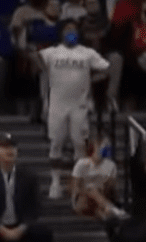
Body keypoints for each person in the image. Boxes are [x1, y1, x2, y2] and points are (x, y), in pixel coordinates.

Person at [36, 20, 110, 199]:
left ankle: (78, 184)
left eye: (74, 29)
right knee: (56, 143)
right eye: (67, 29)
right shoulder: (52, 52)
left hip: (79, 105)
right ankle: (55, 183)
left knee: (79, 144)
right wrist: (45, 73)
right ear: (61, 33)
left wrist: (91, 80)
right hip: (57, 105)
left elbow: (107, 68)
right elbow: (36, 57)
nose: (71, 32)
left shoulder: (87, 53)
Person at [0, 132, 53, 242]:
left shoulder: (28, 176)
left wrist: (21, 228)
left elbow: (34, 208)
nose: (9, 150)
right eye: (5, 147)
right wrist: (0, 228)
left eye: (12, 146)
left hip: (21, 225)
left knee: (43, 233)